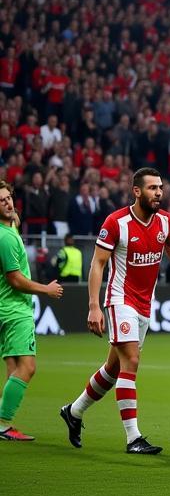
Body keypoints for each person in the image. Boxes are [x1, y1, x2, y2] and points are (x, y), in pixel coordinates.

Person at [59, 168, 170, 454]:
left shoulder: (166, 222)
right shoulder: (116, 222)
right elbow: (97, 264)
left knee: (113, 369)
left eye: (160, 188)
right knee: (131, 362)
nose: (158, 193)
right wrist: (93, 306)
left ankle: (73, 411)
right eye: (151, 188)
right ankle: (133, 438)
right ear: (137, 191)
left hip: (144, 305)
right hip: (119, 300)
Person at [0, 180, 64, 441]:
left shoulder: (9, 226)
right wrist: (45, 290)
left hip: (7, 308)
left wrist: (12, 217)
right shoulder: (4, 238)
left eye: (8, 198)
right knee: (28, 367)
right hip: (16, 309)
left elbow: (13, 217)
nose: (7, 203)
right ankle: (3, 424)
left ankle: (4, 424)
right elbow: (15, 278)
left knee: (13, 368)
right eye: (1, 201)